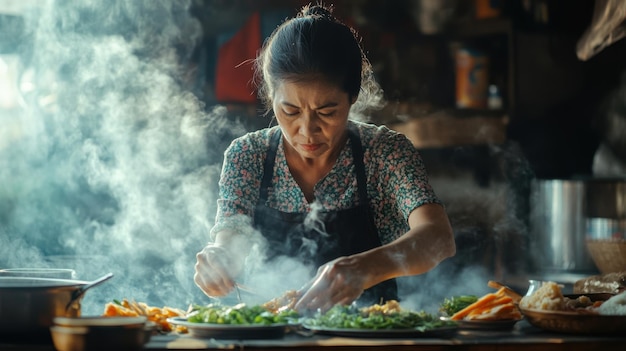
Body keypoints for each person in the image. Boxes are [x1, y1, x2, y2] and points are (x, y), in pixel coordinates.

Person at [194, 3, 456, 312]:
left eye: (327, 112)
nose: (307, 131)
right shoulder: (248, 155)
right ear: (270, 96)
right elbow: (231, 234)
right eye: (290, 111)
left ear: (353, 97)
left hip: (368, 333)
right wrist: (219, 258)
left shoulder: (384, 152)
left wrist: (361, 269)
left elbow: (438, 238)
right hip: (273, 333)